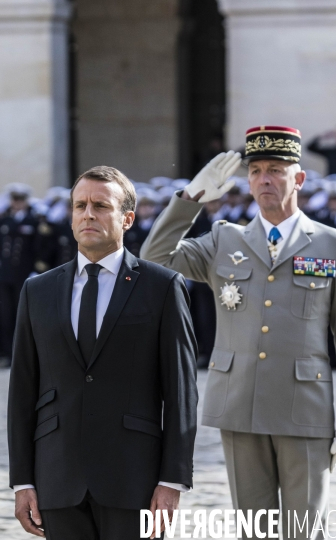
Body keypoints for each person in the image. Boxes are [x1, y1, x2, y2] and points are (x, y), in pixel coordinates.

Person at [141, 126, 336, 540]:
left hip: (305, 409)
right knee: (253, 531)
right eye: (257, 170)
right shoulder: (225, 239)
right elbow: (155, 258)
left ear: (298, 179)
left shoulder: (332, 244)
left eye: (276, 170)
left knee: (305, 530)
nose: (264, 179)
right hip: (240, 404)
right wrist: (191, 199)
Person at [8, 166, 198, 540]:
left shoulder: (161, 286)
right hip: (57, 478)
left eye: (100, 205)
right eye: (80, 205)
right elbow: (22, 392)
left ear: (127, 218)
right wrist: (22, 482)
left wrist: (172, 479)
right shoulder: (38, 291)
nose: (88, 214)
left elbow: (181, 392)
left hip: (133, 479)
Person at [0, 184, 50, 367]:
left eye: (20, 199)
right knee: (6, 315)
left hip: (24, 274)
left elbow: (39, 247)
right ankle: (8, 353)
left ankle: (22, 355)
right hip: (5, 275)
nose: (17, 203)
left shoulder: (33, 221)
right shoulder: (5, 221)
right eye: (14, 199)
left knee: (23, 315)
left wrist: (37, 268)